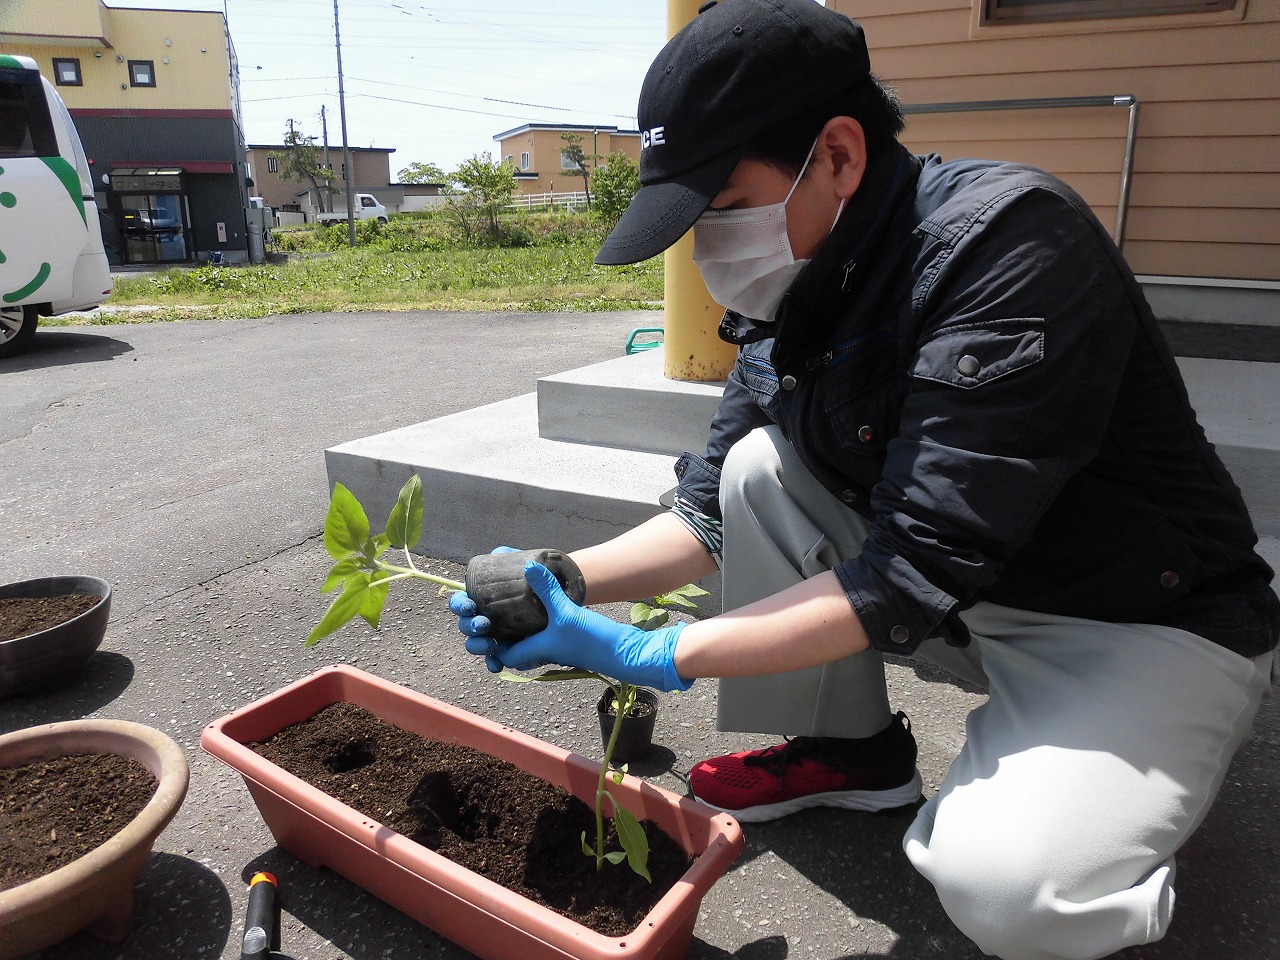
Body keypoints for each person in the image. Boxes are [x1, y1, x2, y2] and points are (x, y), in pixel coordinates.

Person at [450, 2, 1279, 958]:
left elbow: (909, 570)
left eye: (720, 209)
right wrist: (568, 578)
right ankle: (852, 754)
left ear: (839, 154)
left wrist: (654, 654)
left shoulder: (1008, 250)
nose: (708, 248)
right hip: (969, 605)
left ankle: (1121, 820)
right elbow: (707, 511)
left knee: (1011, 889)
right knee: (759, 470)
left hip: (1134, 624)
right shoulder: (800, 282)